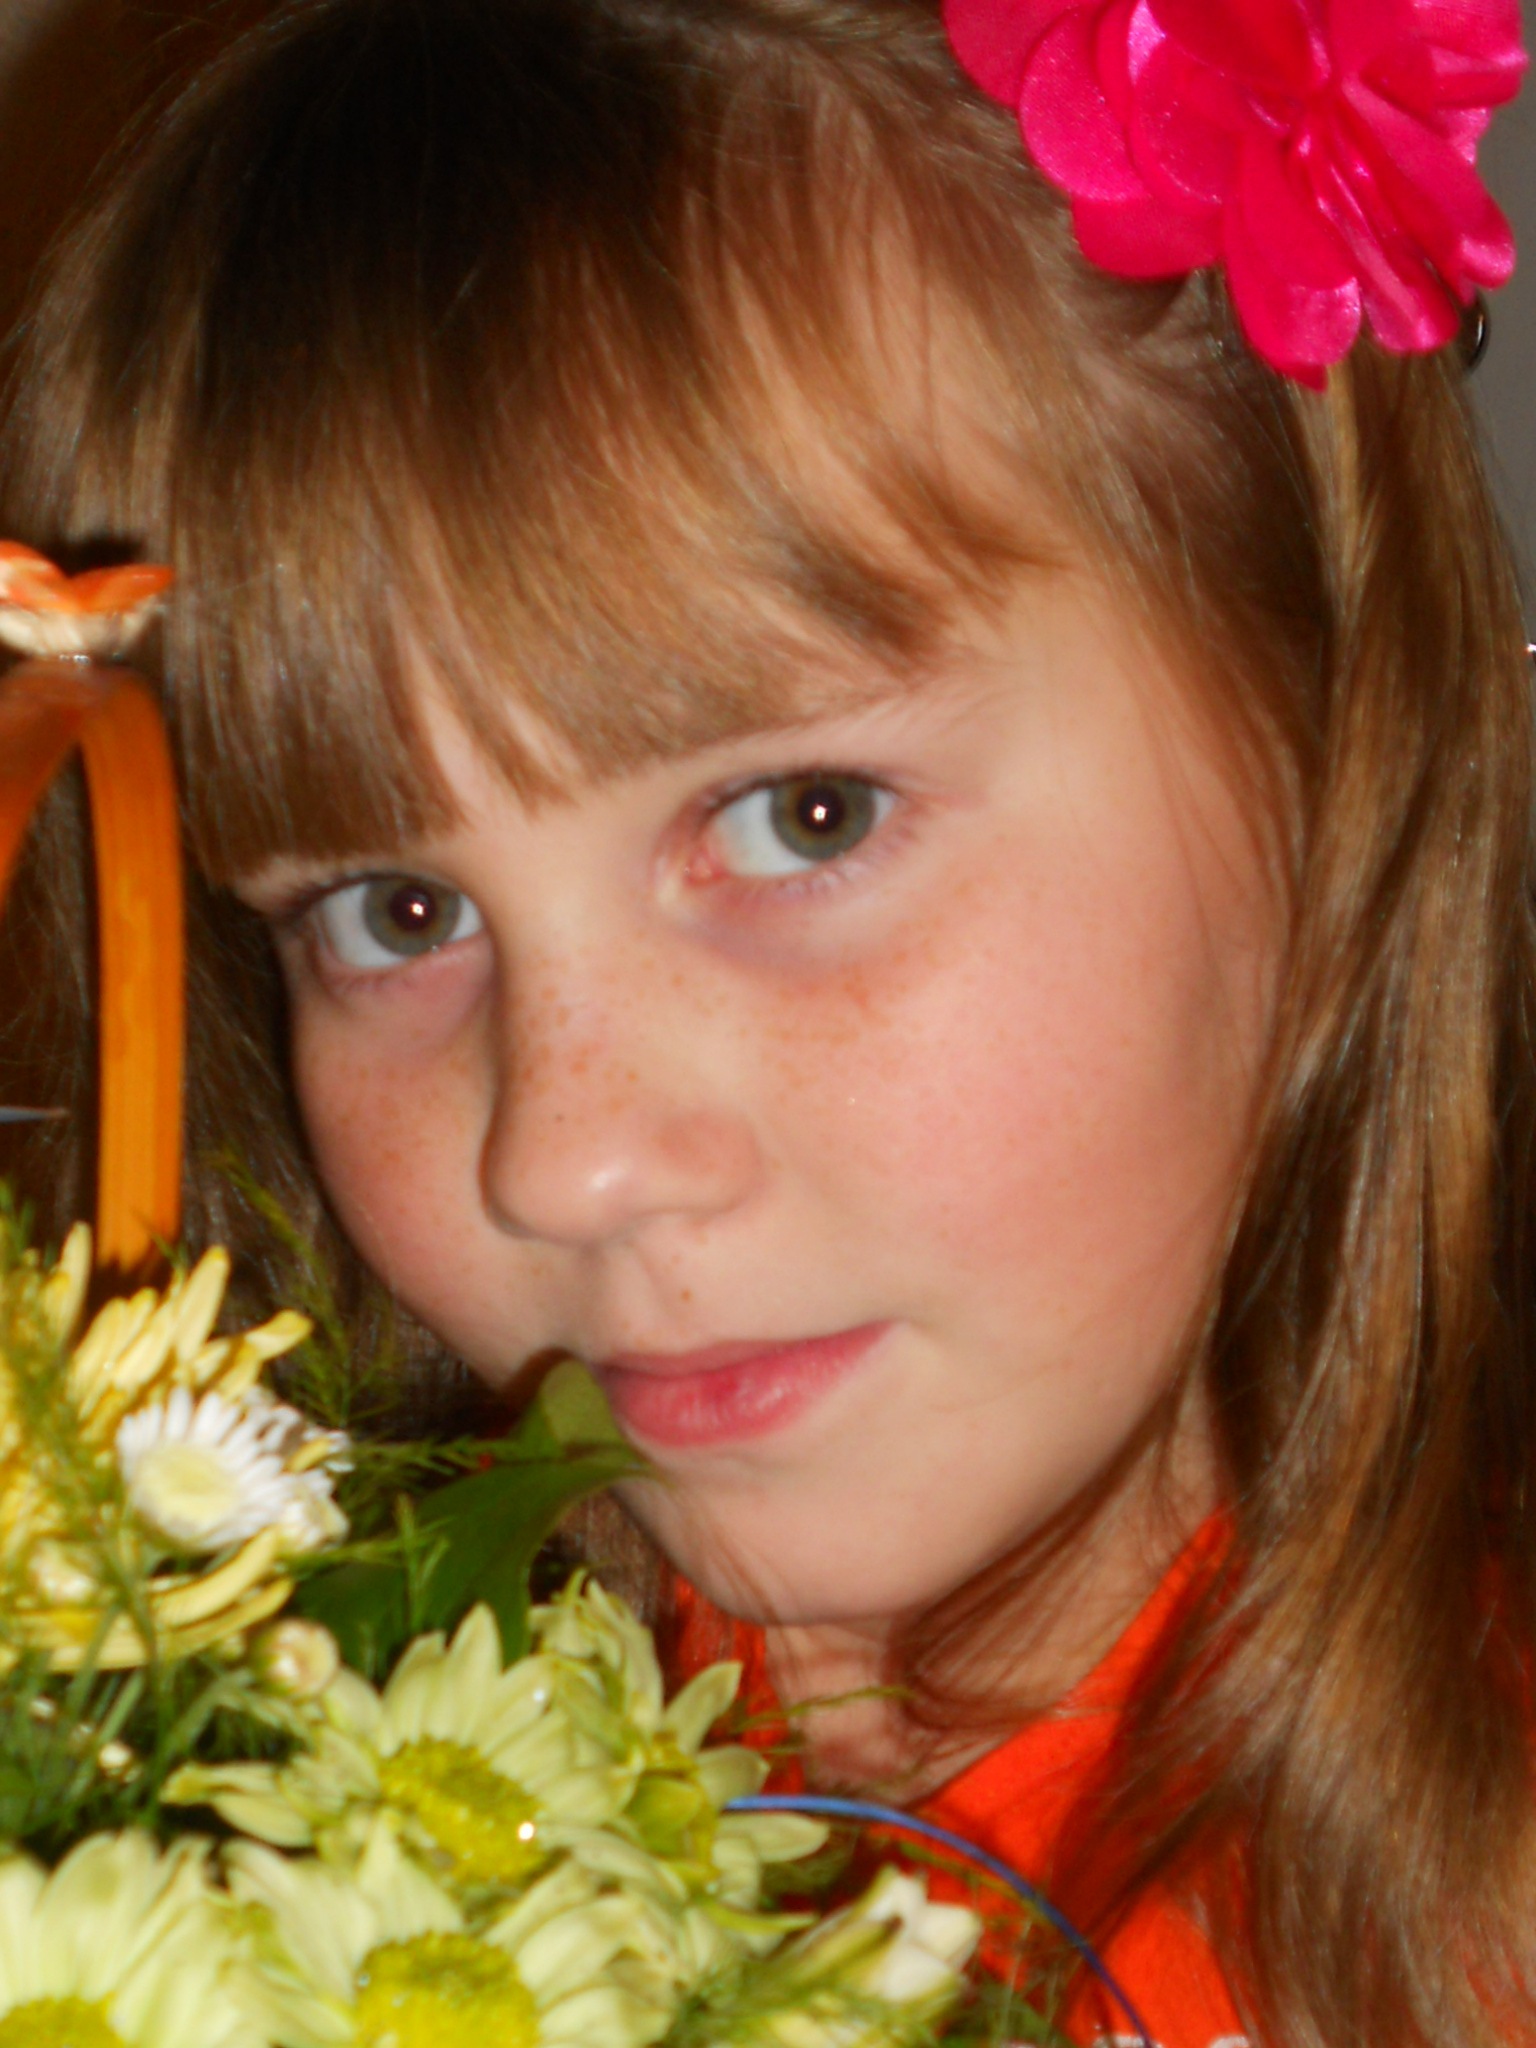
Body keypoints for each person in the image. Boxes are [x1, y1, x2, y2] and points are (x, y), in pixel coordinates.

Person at [0, 0, 1532, 2042]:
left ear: (1331, 740)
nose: (567, 1157)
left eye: (806, 818)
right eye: (396, 912)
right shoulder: (249, 1815)